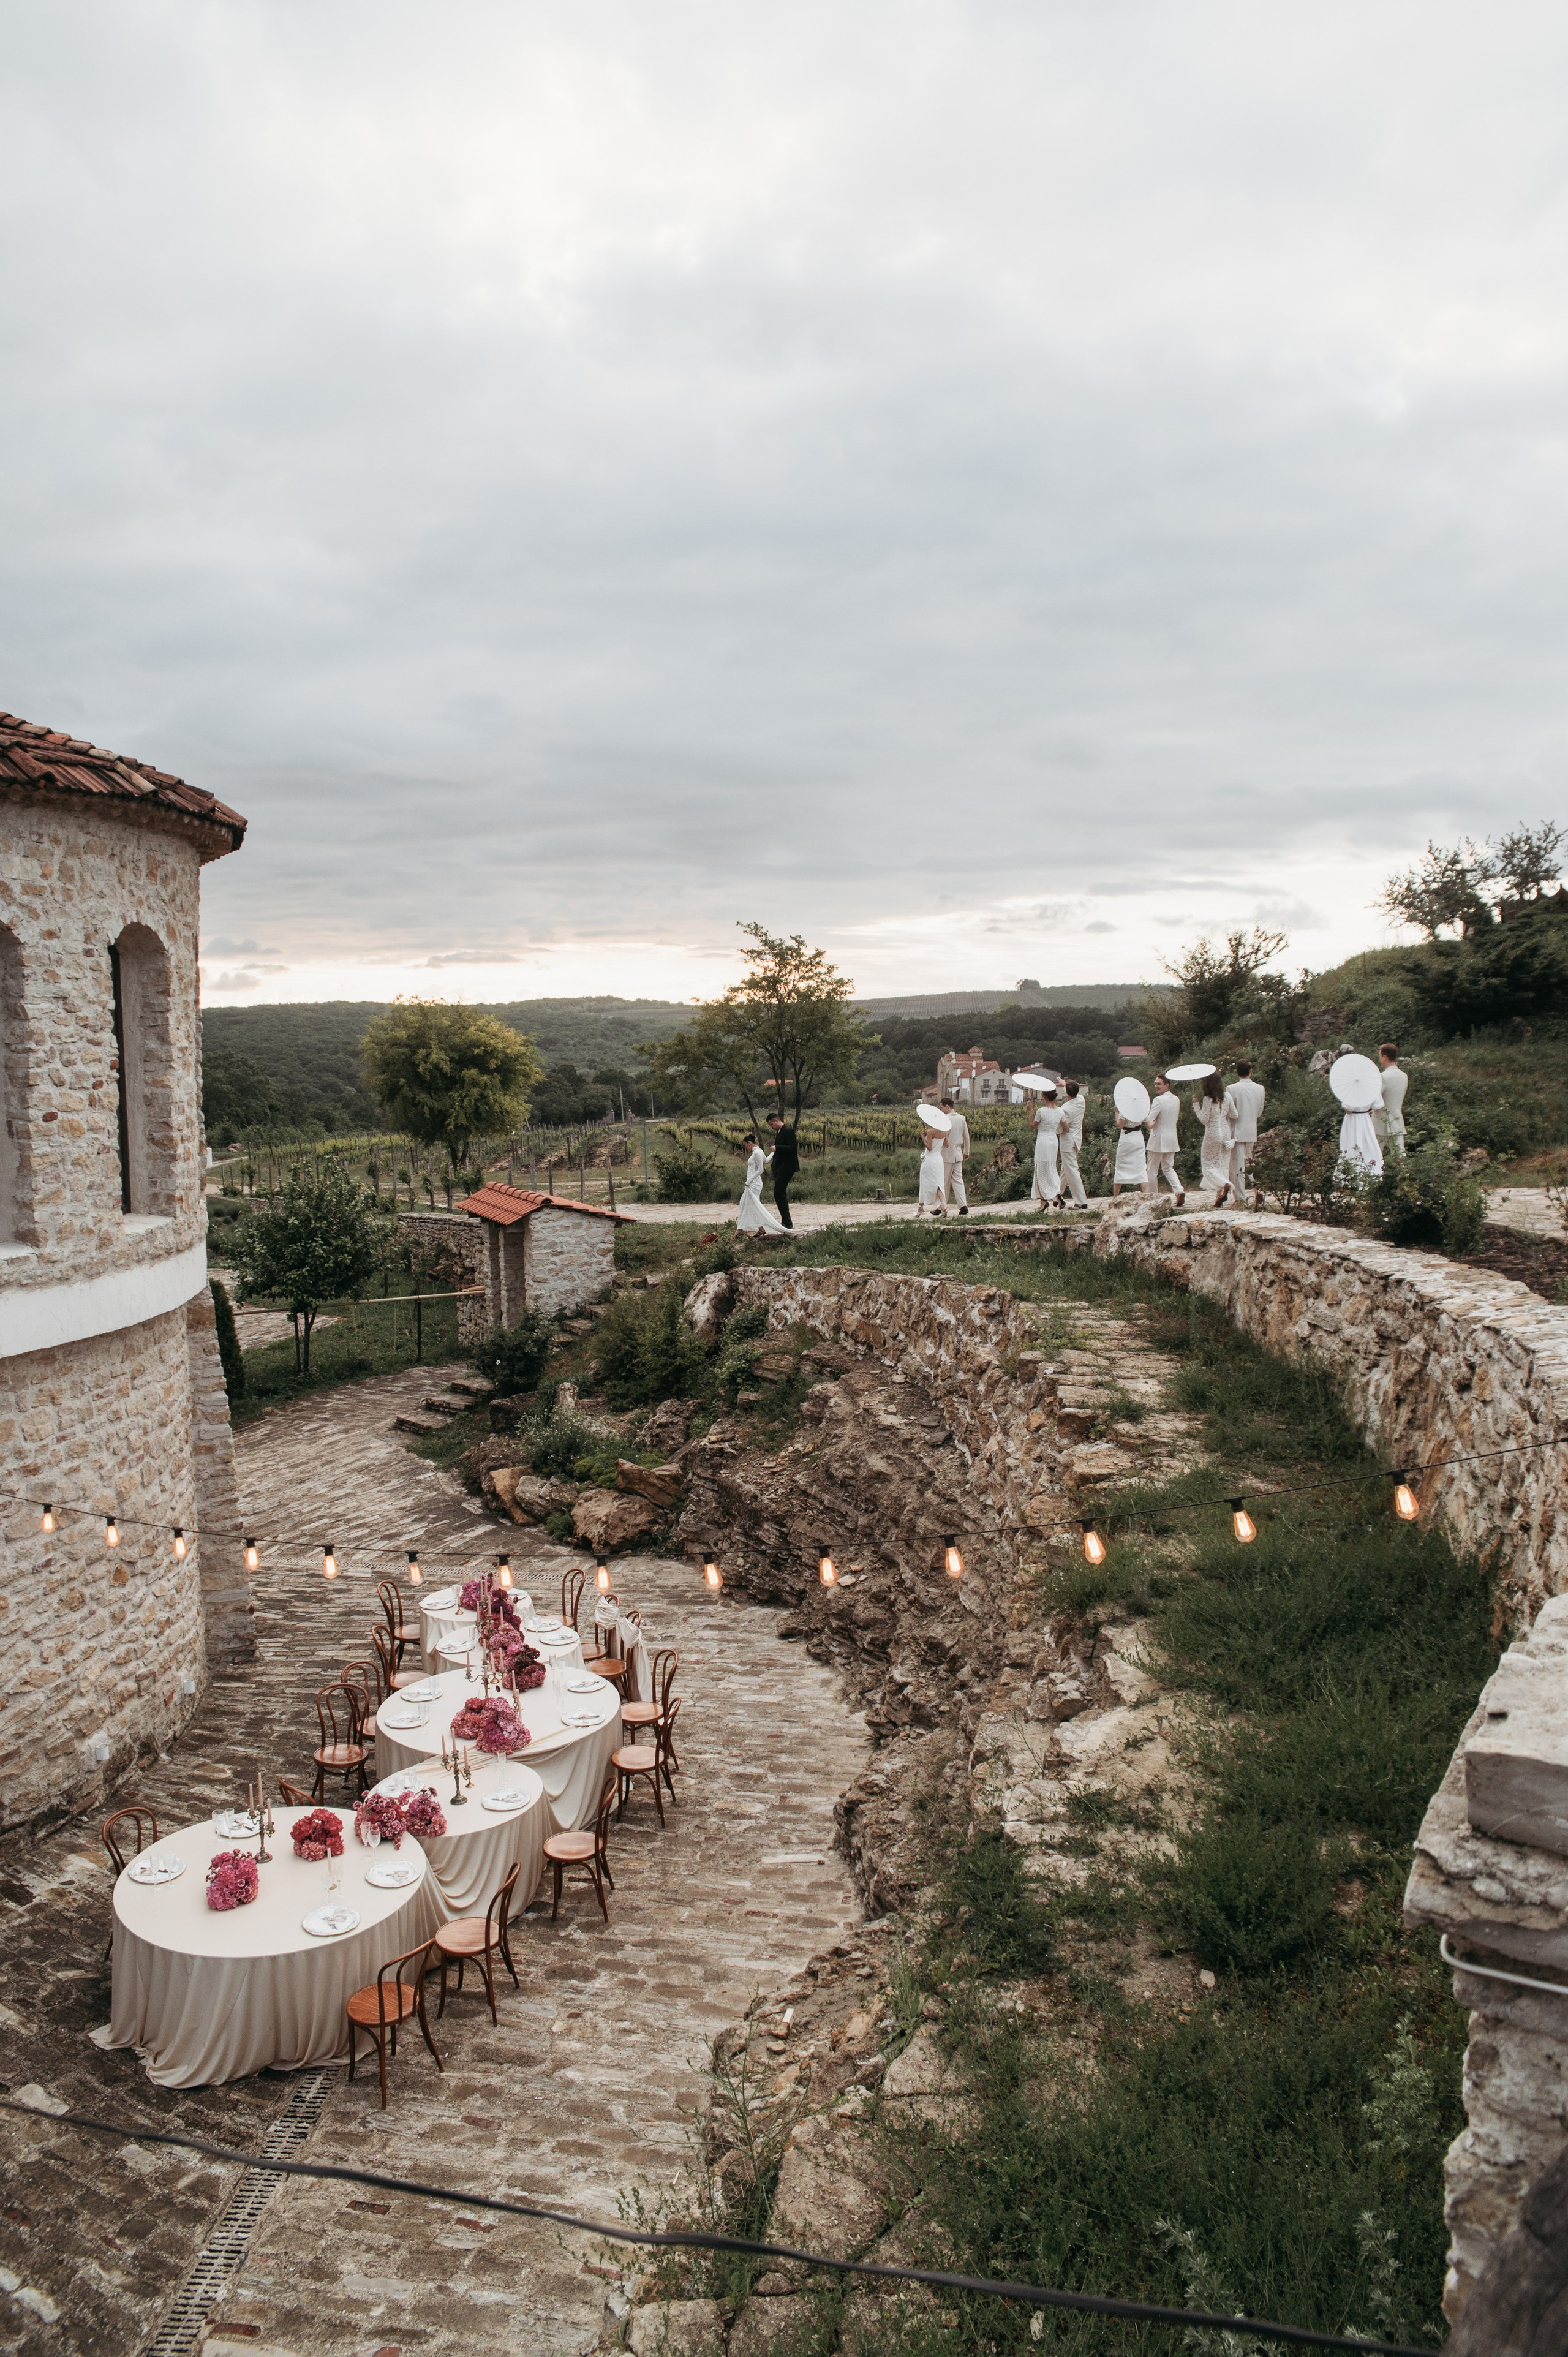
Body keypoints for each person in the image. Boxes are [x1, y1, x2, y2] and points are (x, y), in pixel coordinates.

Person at [1223, 1060, 1267, 1202]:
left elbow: (1229, 1111)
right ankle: (1257, 1189)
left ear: (1237, 1072)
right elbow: (1260, 1111)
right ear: (1251, 1071)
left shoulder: (1231, 1089)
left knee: (1237, 1165)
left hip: (1236, 1131)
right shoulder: (1260, 1088)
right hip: (1252, 1129)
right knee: (1250, 1162)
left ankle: (1240, 1197)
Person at [1193, 1072, 1234, 1204]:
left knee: (1207, 1164)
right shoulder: (1227, 1096)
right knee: (1222, 1164)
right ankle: (1219, 1196)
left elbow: (1204, 1120)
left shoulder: (1208, 1099)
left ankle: (1224, 1183)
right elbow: (1235, 1114)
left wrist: (1196, 1105)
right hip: (1225, 1132)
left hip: (1212, 1133)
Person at [736, 1133, 787, 1237]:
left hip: (754, 1183)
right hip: (752, 1182)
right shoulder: (758, 1151)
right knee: (747, 1203)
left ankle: (741, 1229)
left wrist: (749, 1181)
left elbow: (761, 1170)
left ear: (749, 1143)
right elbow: (767, 1160)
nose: (745, 1148)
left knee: (748, 1203)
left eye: (745, 1145)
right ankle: (758, 1228)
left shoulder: (757, 1153)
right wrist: (773, 1152)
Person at [1144, 1074, 1185, 1204]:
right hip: (1172, 1137)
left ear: (1167, 1085)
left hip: (1158, 1138)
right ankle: (1179, 1190)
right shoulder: (1176, 1099)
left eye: (1159, 1084)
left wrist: (1144, 1117)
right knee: (1168, 1167)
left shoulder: (1158, 1100)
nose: (1156, 1086)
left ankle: (1154, 1197)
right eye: (1155, 1083)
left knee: (1152, 1170)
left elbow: (1150, 1121)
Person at [1032, 1084, 1068, 1207]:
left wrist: (1030, 1111)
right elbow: (1066, 1128)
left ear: (1044, 1096)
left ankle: (1044, 1202)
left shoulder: (1041, 1111)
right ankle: (1056, 1194)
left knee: (1040, 1169)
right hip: (1053, 1140)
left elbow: (1032, 1126)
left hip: (1043, 1140)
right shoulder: (1060, 1111)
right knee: (1051, 1167)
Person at [765, 1111, 799, 1228]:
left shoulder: (788, 1131)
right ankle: (786, 1221)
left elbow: (793, 1148)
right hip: (781, 1168)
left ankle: (787, 1222)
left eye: (771, 1124)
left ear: (776, 1120)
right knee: (780, 1193)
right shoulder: (780, 1131)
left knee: (778, 1193)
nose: (771, 1127)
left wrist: (777, 1147)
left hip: (787, 1167)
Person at [1059, 1080, 1089, 1207]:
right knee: (1065, 1170)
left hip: (1068, 1141)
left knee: (1072, 1170)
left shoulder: (1065, 1109)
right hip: (1077, 1139)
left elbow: (1061, 1129)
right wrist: (1064, 1084)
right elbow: (1072, 1091)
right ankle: (1057, 1195)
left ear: (1067, 1092)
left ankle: (1081, 1201)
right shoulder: (1081, 1101)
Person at [939, 1096, 971, 1215]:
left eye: (942, 1107)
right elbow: (966, 1136)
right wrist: (966, 1151)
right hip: (958, 1154)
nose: (941, 1110)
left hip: (947, 1155)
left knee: (944, 1182)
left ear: (947, 1107)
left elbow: (944, 1137)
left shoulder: (945, 1119)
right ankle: (963, 1206)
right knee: (958, 1181)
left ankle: (942, 1206)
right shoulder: (962, 1118)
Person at [1376, 1044, 1408, 1156]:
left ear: (1385, 1057)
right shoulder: (1404, 1076)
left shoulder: (1382, 1077)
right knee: (1400, 1154)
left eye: (1380, 1056)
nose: (1380, 1059)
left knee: (1375, 1155)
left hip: (1380, 1121)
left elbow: (1375, 1099)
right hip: (1397, 1119)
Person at [1112, 1099, 1147, 1196]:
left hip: (1126, 1138)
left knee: (1120, 1166)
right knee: (1141, 1167)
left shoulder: (1125, 1109)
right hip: (1138, 1137)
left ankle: (1115, 1197)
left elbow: (1120, 1126)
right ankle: (1146, 1194)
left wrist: (1117, 1113)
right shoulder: (1143, 1110)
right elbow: (1149, 1126)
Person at [917, 1124, 948, 1216]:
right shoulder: (944, 1132)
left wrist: (923, 1137)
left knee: (924, 1182)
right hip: (939, 1160)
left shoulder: (931, 1132)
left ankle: (920, 1207)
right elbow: (947, 1145)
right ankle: (943, 1204)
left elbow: (929, 1148)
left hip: (930, 1160)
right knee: (939, 1184)